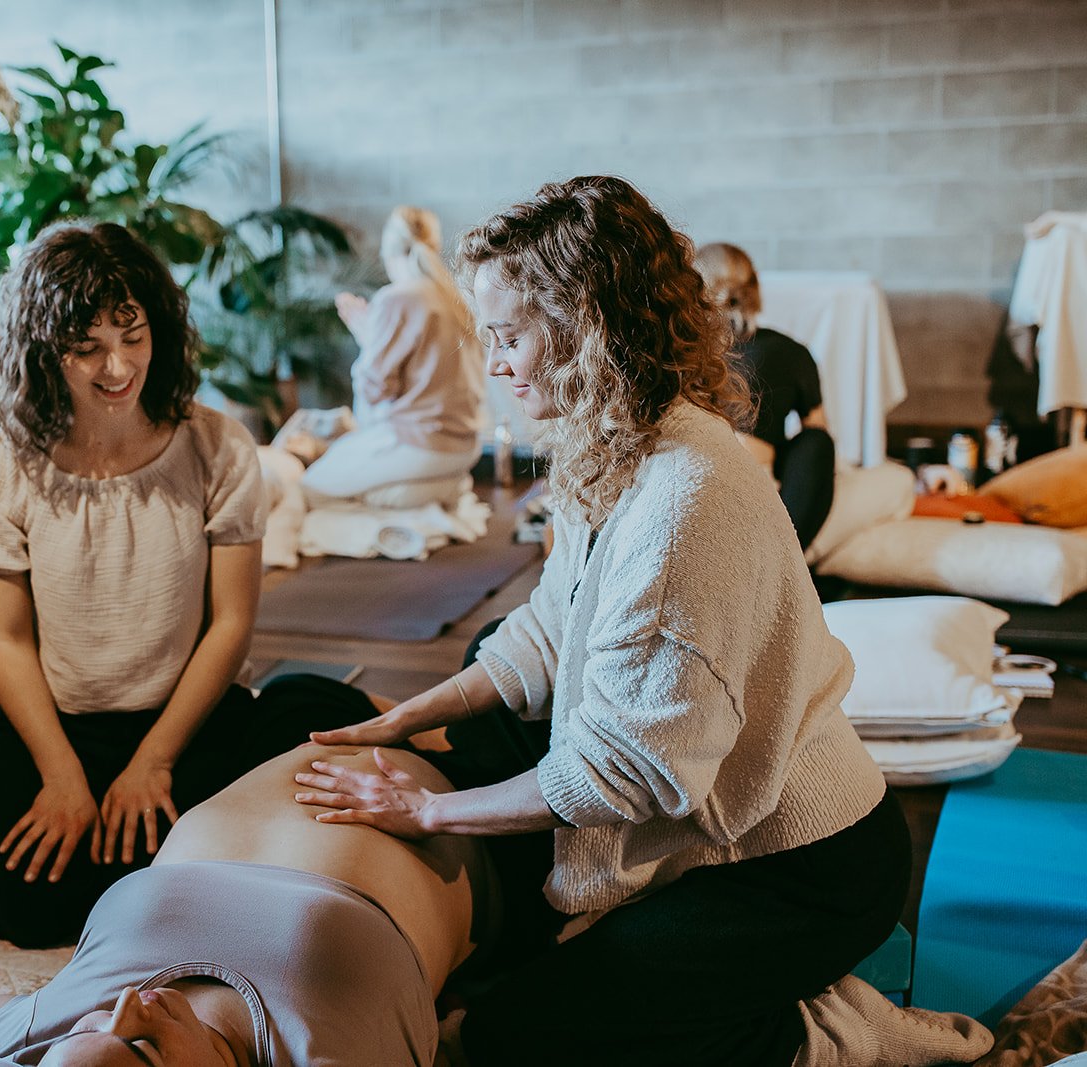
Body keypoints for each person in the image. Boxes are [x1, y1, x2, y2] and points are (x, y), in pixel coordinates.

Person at [290, 177, 911, 1066]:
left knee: (512, 1039)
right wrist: (414, 712)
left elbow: (623, 772)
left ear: (587, 328)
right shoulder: (612, 436)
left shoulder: (682, 498)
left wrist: (431, 809)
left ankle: (830, 1034)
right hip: (719, 825)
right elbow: (551, 622)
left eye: (507, 337)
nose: (494, 361)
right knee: (527, 997)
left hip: (804, 866)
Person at [0, 220, 347, 949]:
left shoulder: (216, 445)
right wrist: (61, 773)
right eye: (87, 347)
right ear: (43, 350)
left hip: (185, 718)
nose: (117, 366)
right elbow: (5, 638)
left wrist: (155, 760)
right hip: (58, 725)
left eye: (132, 336)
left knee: (195, 896)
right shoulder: (0, 463)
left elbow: (231, 623)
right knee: (22, 911)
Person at [0, 744, 493, 1067]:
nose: (127, 1006)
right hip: (451, 798)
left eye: (92, 1027)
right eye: (144, 1051)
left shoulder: (40, 1037)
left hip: (288, 740)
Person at [297, 205, 486, 510]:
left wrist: (368, 340)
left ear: (388, 250)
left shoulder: (398, 298)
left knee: (309, 490)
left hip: (419, 446)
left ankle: (419, 496)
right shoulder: (457, 298)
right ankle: (443, 489)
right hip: (466, 447)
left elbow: (374, 391)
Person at [695, 241, 835, 550]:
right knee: (817, 443)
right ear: (754, 289)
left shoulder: (681, 355)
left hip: (696, 488)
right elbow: (818, 429)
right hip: (759, 494)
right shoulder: (790, 352)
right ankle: (789, 559)